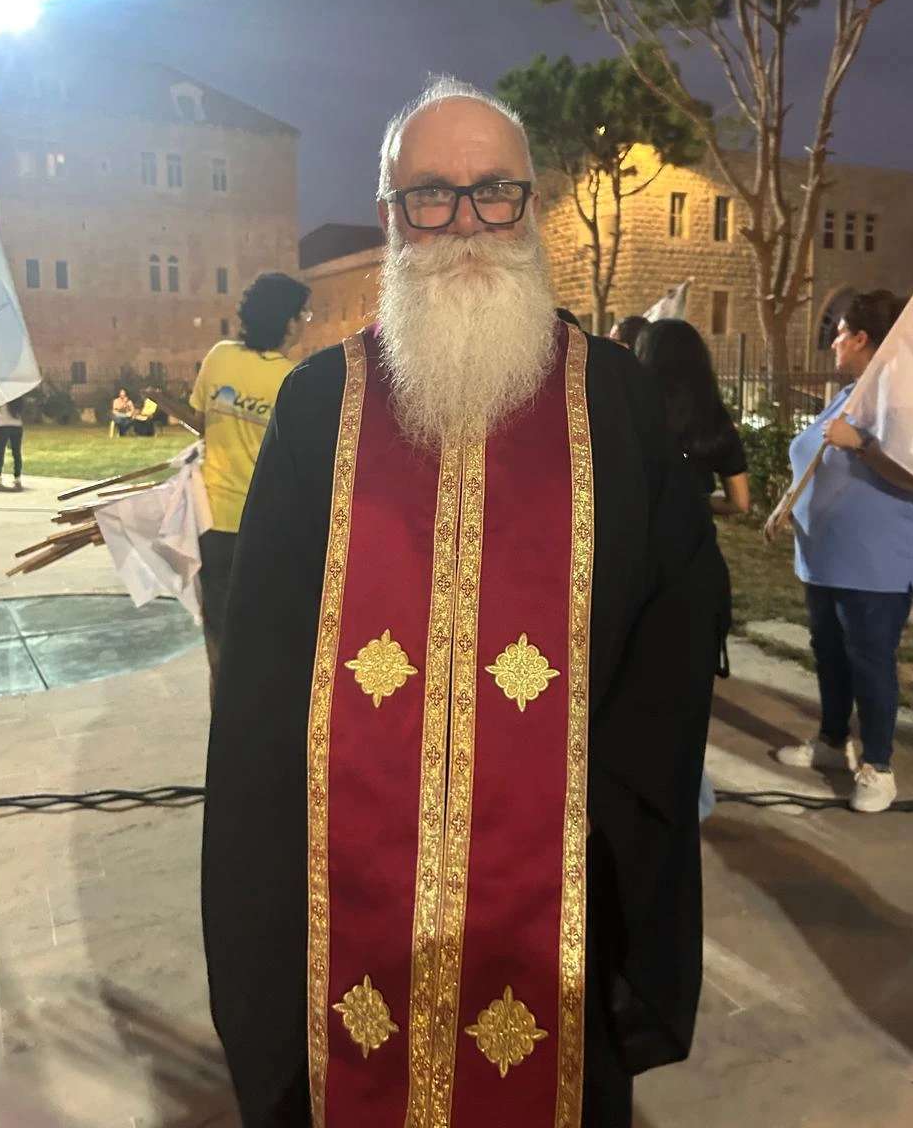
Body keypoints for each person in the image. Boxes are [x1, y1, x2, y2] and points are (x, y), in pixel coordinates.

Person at [201, 78, 729, 1128]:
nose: (466, 222)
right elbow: (263, 672)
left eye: (494, 192)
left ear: (530, 208)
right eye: (431, 195)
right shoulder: (320, 407)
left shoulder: (614, 400)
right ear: (392, 217)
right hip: (349, 895)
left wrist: (609, 818)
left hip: (557, 892)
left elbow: (680, 621)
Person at [767, 290, 913, 813]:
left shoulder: (903, 397)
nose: (833, 341)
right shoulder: (851, 394)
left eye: (839, 332)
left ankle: (879, 767)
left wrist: (861, 443)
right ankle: (831, 740)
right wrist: (786, 504)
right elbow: (817, 455)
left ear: (862, 339)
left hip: (875, 561)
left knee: (869, 660)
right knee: (831, 655)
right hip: (825, 557)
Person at [190, 271, 311, 698]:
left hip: (214, 521)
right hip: (266, 528)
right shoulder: (295, 379)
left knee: (220, 633)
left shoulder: (219, 358)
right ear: (290, 321)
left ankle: (221, 721)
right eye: (305, 314)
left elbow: (201, 423)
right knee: (265, 632)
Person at [634, 318, 750, 516]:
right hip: (694, 539)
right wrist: (694, 502)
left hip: (636, 535)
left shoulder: (630, 413)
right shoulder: (714, 419)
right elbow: (739, 503)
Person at [0, 396, 25, 490]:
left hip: (4, 426)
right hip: (17, 426)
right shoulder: (18, 397)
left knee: (0, 451)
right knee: (16, 452)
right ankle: (17, 477)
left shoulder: (1, 398)